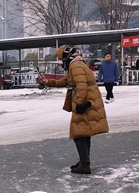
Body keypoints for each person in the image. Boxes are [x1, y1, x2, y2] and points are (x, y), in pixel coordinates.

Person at [41, 45, 109, 174]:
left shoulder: (75, 66)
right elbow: (65, 82)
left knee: (79, 132)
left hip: (85, 101)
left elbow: (81, 85)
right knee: (83, 131)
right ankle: (84, 161)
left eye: (61, 59)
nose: (61, 62)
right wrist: (47, 81)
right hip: (88, 99)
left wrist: (79, 103)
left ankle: (84, 164)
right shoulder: (75, 64)